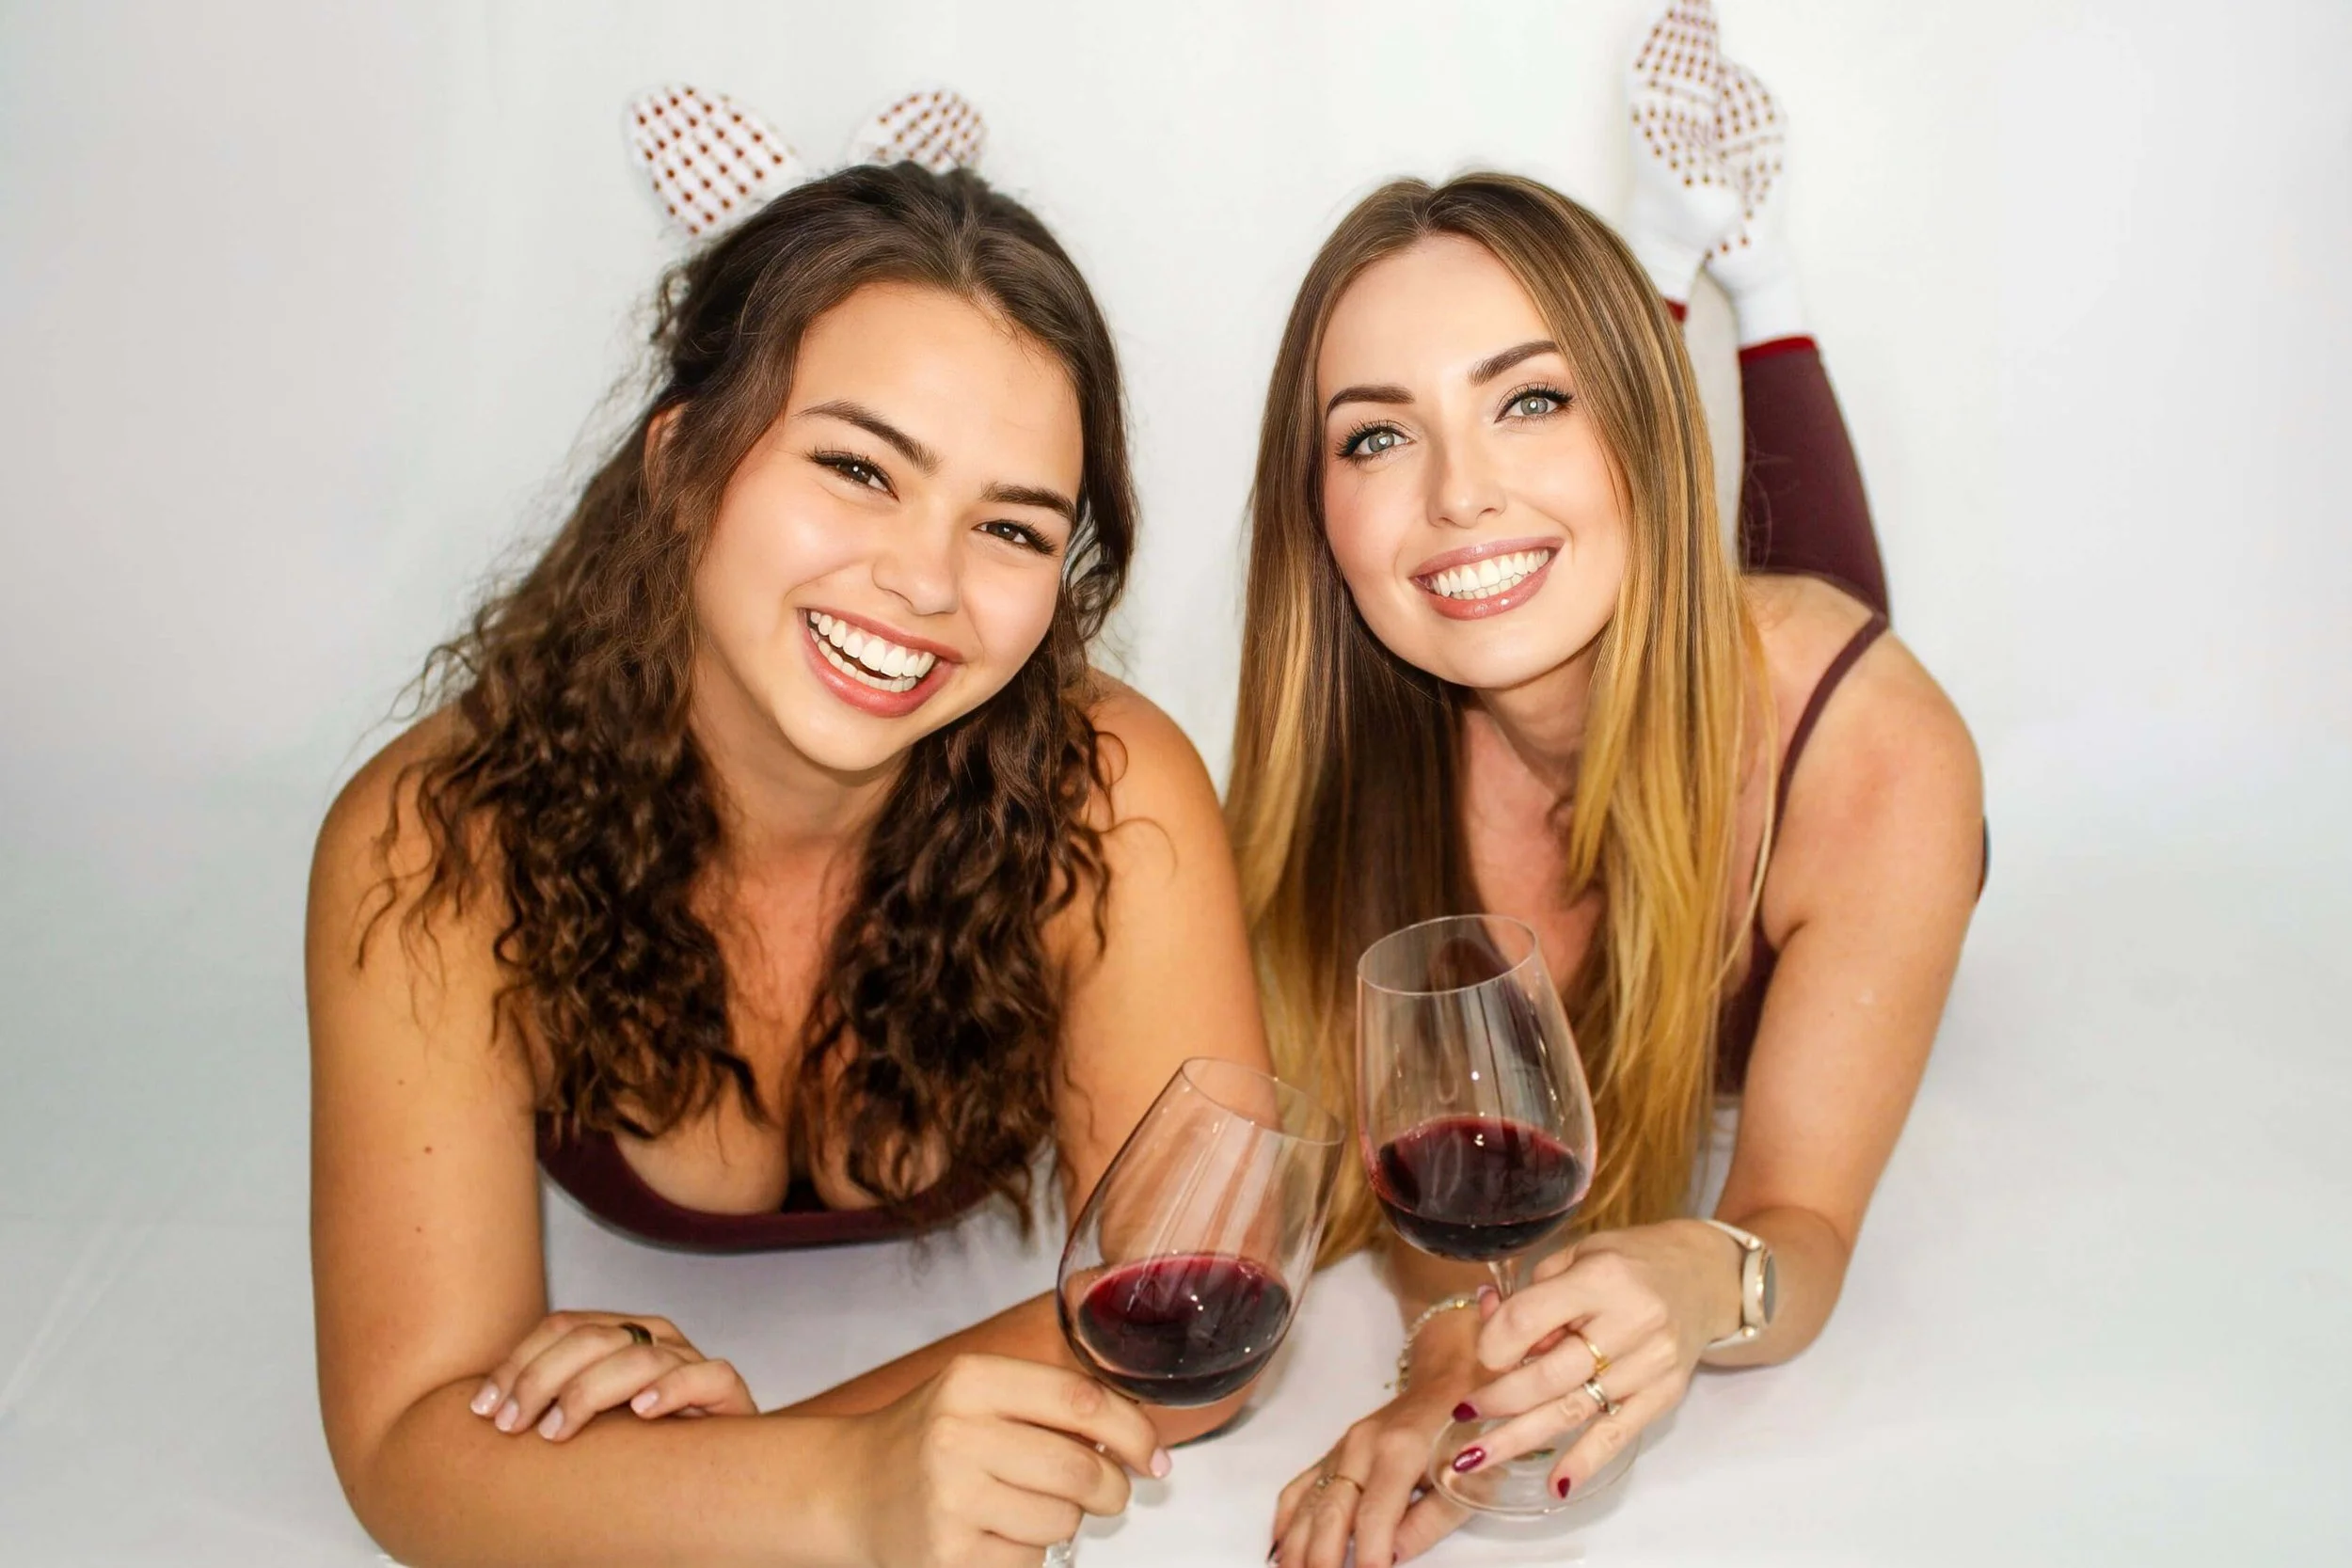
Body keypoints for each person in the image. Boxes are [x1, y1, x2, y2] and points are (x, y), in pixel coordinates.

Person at [305, 161, 1268, 1568]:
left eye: (1010, 527)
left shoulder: (1111, 795)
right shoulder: (443, 837)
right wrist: (830, 1489)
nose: (925, 581)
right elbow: (408, 1447)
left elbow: (1204, 1307)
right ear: (680, 460)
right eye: (858, 469)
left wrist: (739, 1474)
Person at [1234, 16, 1985, 1566]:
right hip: (1652, 627)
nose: (1457, 492)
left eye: (1531, 398)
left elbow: (1799, 1229)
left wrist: (1699, 1278)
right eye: (1378, 434)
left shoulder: (1876, 755)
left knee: (1816, 619)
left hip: (1816, 733)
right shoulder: (1344, 752)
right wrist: (1451, 1361)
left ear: (1643, 424)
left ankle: (1753, 278)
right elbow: (1411, 1164)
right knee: (1587, 578)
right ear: (1317, 514)